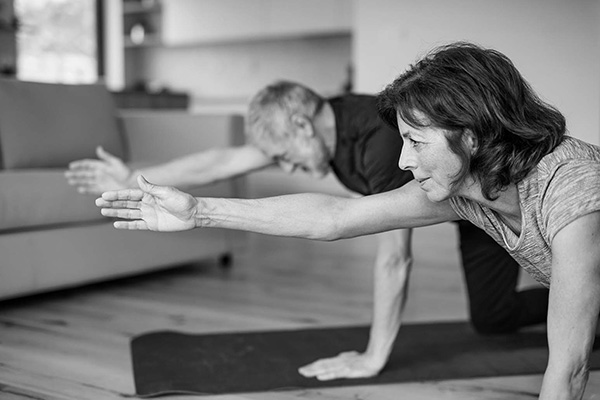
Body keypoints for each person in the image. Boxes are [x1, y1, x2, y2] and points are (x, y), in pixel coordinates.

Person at [86, 79, 549, 380]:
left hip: (489, 199)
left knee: (497, 314)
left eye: (285, 156)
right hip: (454, 204)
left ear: (303, 125)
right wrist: (133, 177)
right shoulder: (320, 121)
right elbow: (222, 160)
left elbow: (394, 257)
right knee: (494, 320)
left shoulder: (382, 146)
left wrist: (374, 356)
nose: (286, 165)